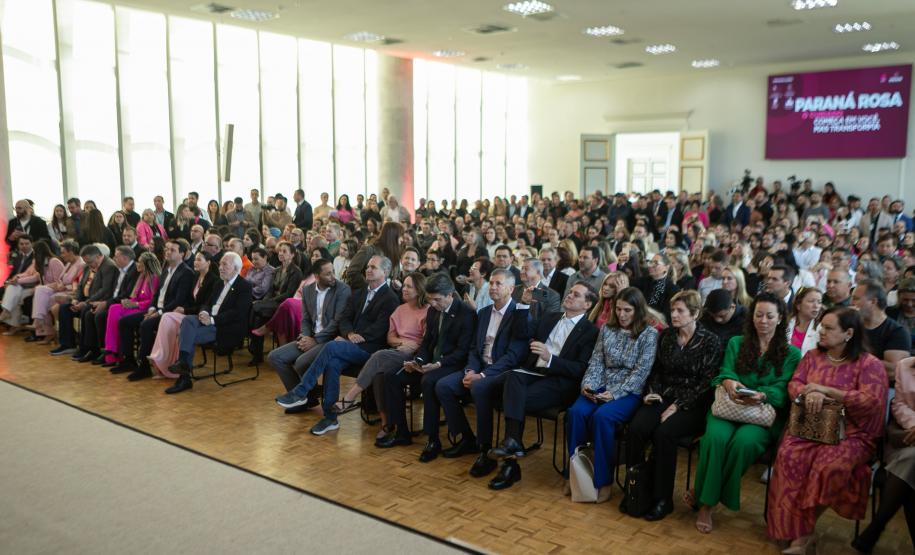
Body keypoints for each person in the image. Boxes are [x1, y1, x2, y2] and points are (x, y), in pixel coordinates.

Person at [768, 307, 889, 554]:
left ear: (848, 333)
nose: (821, 331)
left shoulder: (869, 364)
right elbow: (794, 384)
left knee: (826, 466)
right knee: (789, 457)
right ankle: (796, 532)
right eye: (821, 326)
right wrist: (807, 391)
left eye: (829, 328)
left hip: (853, 434)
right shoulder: (812, 356)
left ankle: (801, 537)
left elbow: (871, 402)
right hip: (811, 427)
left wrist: (827, 391)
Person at [689, 292, 801, 534]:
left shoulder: (791, 353)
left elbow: (784, 388)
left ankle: (705, 498)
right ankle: (707, 503)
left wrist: (762, 395)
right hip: (730, 406)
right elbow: (725, 371)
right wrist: (729, 382)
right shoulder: (736, 343)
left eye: (769, 316)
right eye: (758, 315)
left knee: (743, 443)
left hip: (762, 414)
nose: (763, 321)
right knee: (714, 439)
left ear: (780, 318)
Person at [487, 283, 600, 490]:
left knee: (511, 396)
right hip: (532, 374)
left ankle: (510, 464)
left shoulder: (591, 331)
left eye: (576, 295)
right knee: (510, 379)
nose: (569, 295)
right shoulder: (551, 317)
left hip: (559, 382)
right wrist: (523, 304)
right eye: (570, 291)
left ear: (588, 304)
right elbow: (522, 332)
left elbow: (580, 369)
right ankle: (513, 447)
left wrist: (550, 358)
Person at [623, 290, 723, 520]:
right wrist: (652, 393)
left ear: (695, 313)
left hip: (693, 403)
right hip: (663, 395)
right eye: (673, 310)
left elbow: (706, 383)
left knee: (664, 433)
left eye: (680, 311)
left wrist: (678, 405)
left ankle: (662, 498)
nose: (674, 315)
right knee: (637, 428)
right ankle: (635, 489)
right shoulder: (667, 336)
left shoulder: (710, 341)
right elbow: (657, 370)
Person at [274, 255, 399, 435]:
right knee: (332, 364)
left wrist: (352, 338)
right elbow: (345, 318)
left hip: (371, 350)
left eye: (373, 267)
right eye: (368, 266)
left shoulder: (390, 298)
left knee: (332, 346)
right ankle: (330, 418)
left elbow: (380, 329)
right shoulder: (360, 291)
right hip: (351, 344)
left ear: (385, 272)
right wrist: (348, 333)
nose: (368, 269)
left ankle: (301, 391)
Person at [566, 287, 659, 502]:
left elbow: (641, 372)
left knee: (603, 417)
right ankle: (574, 475)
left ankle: (603, 480)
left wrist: (614, 394)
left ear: (638, 311)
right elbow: (597, 360)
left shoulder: (649, 334)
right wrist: (588, 386)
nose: (622, 314)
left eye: (628, 310)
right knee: (576, 413)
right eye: (618, 309)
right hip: (600, 384)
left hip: (628, 392)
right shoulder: (607, 329)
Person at [433, 269, 527, 477]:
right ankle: (467, 438)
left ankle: (485, 450)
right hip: (479, 368)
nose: (492, 287)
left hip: (503, 373)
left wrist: (482, 376)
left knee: (479, 386)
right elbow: (474, 348)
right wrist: (471, 370)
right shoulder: (483, 313)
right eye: (491, 283)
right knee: (443, 386)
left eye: (498, 284)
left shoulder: (518, 314)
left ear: (511, 289)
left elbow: (513, 356)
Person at [378, 273, 476, 459]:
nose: (433, 304)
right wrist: (419, 361)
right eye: (430, 299)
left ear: (450, 295)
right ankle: (401, 432)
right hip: (431, 363)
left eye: (437, 300)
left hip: (452, 364)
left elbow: (463, 351)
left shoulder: (466, 313)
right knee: (392, 376)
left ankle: (433, 440)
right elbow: (427, 343)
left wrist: (437, 364)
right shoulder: (433, 310)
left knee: (429, 381)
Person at [335, 273, 428, 438]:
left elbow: (426, 341)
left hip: (415, 355)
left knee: (379, 356)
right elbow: (390, 338)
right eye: (404, 285)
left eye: (409, 286)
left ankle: (350, 396)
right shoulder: (399, 309)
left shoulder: (427, 311)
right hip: (397, 351)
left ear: (419, 290)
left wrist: (413, 345)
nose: (404, 289)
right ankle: (386, 424)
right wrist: (401, 343)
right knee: (379, 374)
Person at [164, 252, 254, 394]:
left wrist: (212, 320)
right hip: (208, 320)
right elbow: (207, 303)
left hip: (225, 327)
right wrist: (204, 313)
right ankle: (183, 366)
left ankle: (184, 376)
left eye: (225, 265)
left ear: (236, 269)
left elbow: (237, 313)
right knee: (188, 320)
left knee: (187, 334)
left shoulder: (244, 286)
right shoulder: (218, 283)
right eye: (220, 264)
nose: (220, 268)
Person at [111, 240, 194, 380]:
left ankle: (144, 366)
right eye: (166, 249)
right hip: (156, 310)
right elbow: (157, 294)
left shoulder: (186, 273)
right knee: (125, 322)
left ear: (182, 254)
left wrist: (159, 312)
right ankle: (129, 360)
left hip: (169, 313)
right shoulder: (166, 269)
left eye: (172, 250)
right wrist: (151, 308)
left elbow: (178, 300)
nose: (167, 252)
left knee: (146, 325)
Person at [49, 245, 119, 357]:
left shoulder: (108, 266)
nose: (89, 265)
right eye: (87, 262)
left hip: (99, 300)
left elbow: (105, 290)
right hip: (86, 299)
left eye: (90, 262)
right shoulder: (87, 266)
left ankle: (86, 347)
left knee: (86, 310)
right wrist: (76, 300)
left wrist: (86, 303)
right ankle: (67, 344)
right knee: (64, 309)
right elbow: (81, 286)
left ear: (98, 256)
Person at [78, 245, 140, 364]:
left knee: (99, 316)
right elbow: (114, 291)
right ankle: (93, 349)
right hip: (113, 300)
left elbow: (126, 295)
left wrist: (105, 303)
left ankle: (107, 351)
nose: (113, 258)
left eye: (116, 256)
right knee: (89, 313)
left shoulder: (134, 271)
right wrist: (104, 302)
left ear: (125, 258)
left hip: (124, 305)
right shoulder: (120, 269)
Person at [248, 242, 303, 365]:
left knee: (256, 308)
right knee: (257, 314)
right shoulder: (277, 270)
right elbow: (271, 290)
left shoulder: (296, 272)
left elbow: (289, 294)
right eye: (280, 251)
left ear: (292, 255)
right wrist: (265, 300)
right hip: (273, 303)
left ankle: (254, 345)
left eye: (284, 251)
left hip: (285, 306)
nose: (281, 254)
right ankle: (256, 352)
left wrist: (268, 301)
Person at [102, 252, 161, 367]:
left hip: (145, 309)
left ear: (147, 264)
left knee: (118, 313)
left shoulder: (154, 277)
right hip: (137, 306)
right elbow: (136, 296)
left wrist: (136, 304)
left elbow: (153, 300)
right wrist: (129, 302)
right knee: (114, 307)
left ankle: (114, 350)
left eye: (140, 262)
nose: (137, 264)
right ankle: (112, 348)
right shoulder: (142, 276)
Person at [851, 279, 912, 381]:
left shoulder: (897, 332)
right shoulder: (851, 325)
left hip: (883, 387)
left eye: (856, 299)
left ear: (873, 301)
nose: (852, 303)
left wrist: (855, 358)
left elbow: (893, 371)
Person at [1, 239, 62, 335]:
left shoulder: (54, 261)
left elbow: (59, 283)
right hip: (43, 288)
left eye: (35, 251)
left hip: (52, 289)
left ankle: (37, 323)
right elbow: (31, 275)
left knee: (37, 291)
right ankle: (13, 319)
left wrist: (19, 280)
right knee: (16, 293)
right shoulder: (39, 262)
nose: (33, 253)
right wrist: (17, 279)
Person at [30, 240, 85, 343]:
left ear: (71, 251)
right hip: (62, 289)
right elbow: (60, 279)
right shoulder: (69, 263)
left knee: (45, 299)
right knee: (40, 291)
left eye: (63, 252)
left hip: (70, 292)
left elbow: (78, 285)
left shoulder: (81, 264)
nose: (61, 255)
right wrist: (60, 285)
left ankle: (41, 324)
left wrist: (64, 286)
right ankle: (39, 321)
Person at [345, 221, 403, 290]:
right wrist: (371, 285)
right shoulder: (369, 250)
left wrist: (396, 284)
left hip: (386, 297)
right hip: (366, 296)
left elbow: (396, 277)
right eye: (400, 236)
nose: (402, 240)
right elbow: (352, 272)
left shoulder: (395, 255)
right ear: (392, 237)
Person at [635, 253, 680, 321]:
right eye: (650, 262)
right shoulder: (643, 281)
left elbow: (667, 315)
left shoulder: (673, 289)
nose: (650, 266)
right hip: (639, 318)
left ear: (666, 267)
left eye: (656, 263)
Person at [787, 287, 822, 356]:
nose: (816, 306)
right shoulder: (785, 323)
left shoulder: (821, 328)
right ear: (798, 305)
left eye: (819, 302)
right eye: (811, 301)